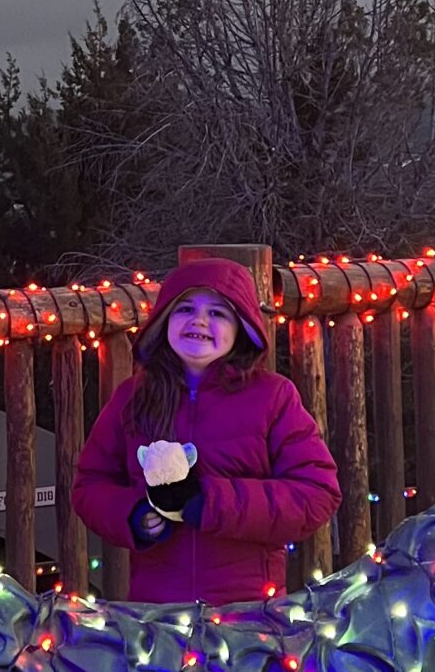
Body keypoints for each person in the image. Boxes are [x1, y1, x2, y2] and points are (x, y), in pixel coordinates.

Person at [72, 258, 342, 605]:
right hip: (158, 614)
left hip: (248, 613)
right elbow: (90, 485)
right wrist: (134, 514)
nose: (199, 320)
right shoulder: (133, 398)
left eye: (218, 313)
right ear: (165, 321)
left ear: (241, 329)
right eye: (185, 308)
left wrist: (216, 503)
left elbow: (317, 492)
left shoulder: (272, 397)